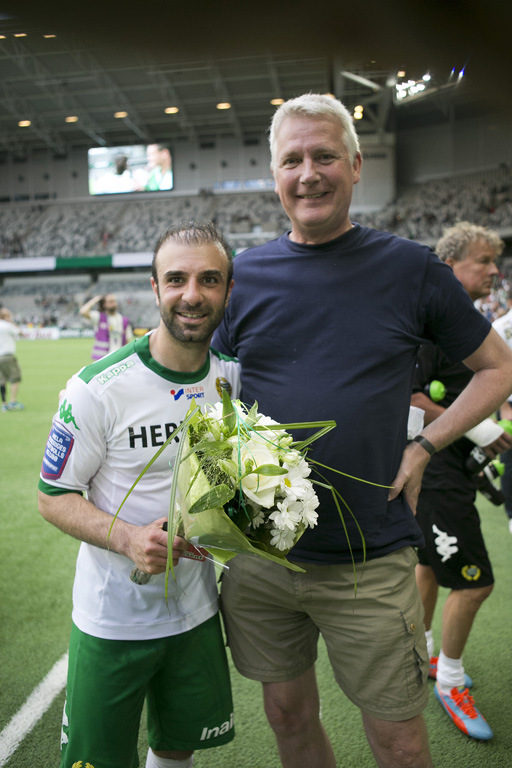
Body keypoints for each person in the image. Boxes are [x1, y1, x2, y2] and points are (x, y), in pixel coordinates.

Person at [212, 93, 512, 768]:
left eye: (324, 156)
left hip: (369, 557)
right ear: (274, 174)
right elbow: (203, 386)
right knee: (288, 716)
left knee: (400, 743)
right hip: (263, 557)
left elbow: (498, 369)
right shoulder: (243, 276)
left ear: (354, 166)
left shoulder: (411, 268)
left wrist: (425, 446)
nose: (308, 174)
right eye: (292, 160)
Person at [38, 222, 240, 768]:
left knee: (177, 745)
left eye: (209, 279)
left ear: (227, 290)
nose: (192, 294)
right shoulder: (96, 388)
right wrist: (127, 537)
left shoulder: (231, 378)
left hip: (197, 611)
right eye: (176, 279)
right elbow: (52, 495)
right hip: (114, 619)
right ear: (154, 288)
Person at [411, 222, 511, 741]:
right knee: (476, 583)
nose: (495, 270)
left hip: (448, 468)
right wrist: (482, 428)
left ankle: (425, 655)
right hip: (436, 471)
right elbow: (410, 397)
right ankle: (449, 681)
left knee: (428, 566)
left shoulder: (461, 320)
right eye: (483, 260)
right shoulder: (431, 322)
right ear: (450, 265)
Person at [492, 295, 512, 533]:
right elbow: (495, 369)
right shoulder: (501, 327)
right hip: (509, 403)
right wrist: (504, 406)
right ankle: (511, 514)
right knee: (509, 458)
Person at [79, 292, 134, 360]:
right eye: (110, 302)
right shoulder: (99, 317)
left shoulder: (124, 320)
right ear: (104, 304)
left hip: (118, 357)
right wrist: (95, 300)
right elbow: (83, 312)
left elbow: (127, 340)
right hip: (101, 358)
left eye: (114, 301)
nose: (113, 303)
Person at [0, 307, 24, 411]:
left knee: (2, 380)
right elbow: (20, 332)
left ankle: (4, 404)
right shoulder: (8, 325)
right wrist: (11, 322)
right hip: (7, 356)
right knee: (15, 378)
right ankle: (13, 402)